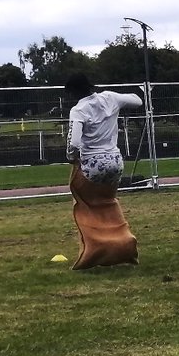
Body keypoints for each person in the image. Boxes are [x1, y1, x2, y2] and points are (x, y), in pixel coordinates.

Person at [63, 73, 143, 269]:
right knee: (108, 204)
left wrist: (71, 157)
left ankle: (93, 251)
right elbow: (137, 101)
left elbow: (73, 142)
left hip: (93, 165)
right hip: (116, 163)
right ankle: (123, 243)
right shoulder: (110, 97)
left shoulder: (78, 109)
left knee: (85, 207)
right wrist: (115, 106)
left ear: (74, 92)